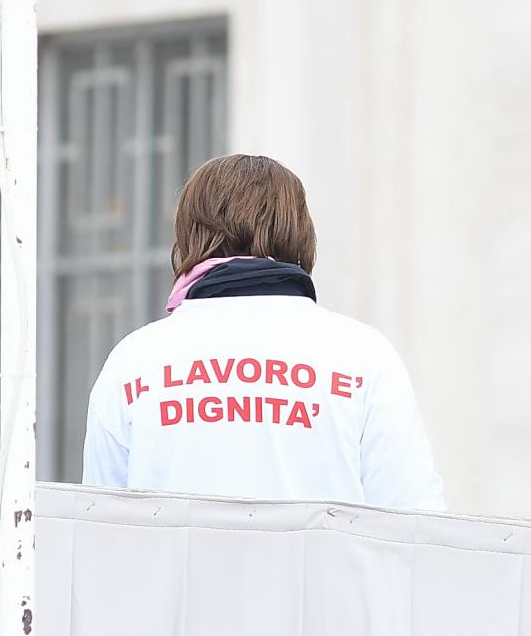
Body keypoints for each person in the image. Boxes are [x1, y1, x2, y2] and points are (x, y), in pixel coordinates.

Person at [83, 154, 445, 511]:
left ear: (189, 235)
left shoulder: (135, 360)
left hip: (175, 572)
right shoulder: (363, 355)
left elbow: (100, 527)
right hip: (326, 572)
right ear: (300, 231)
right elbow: (413, 524)